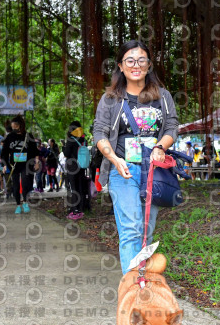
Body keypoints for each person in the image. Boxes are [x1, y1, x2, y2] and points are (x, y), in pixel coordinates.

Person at [92, 40, 178, 275]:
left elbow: (172, 127)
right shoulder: (110, 99)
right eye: (130, 60)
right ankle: (133, 287)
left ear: (149, 65)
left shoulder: (163, 97)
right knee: (130, 229)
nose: (136, 65)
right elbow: (99, 132)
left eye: (141, 60)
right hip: (123, 169)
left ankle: (143, 279)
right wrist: (114, 160)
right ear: (121, 66)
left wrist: (160, 146)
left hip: (152, 171)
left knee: (146, 231)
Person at [1, 115, 40, 213]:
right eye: (12, 127)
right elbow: (4, 152)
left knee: (25, 182)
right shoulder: (10, 137)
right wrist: (5, 165)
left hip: (26, 164)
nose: (14, 129)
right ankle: (18, 204)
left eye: (15, 127)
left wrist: (37, 162)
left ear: (20, 125)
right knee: (16, 185)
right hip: (14, 165)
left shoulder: (28, 136)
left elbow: (35, 151)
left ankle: (25, 202)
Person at [63, 121, 89, 219]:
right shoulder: (83, 139)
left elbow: (67, 153)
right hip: (82, 167)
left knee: (73, 188)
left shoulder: (71, 139)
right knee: (80, 187)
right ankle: (81, 209)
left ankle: (74, 211)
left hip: (72, 167)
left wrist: (64, 148)